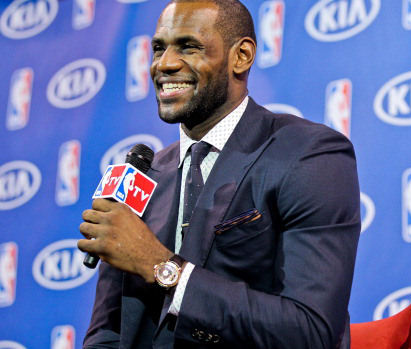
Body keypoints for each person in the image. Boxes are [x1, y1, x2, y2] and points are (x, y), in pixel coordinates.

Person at [77, 0, 360, 348]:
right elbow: (108, 333)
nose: (164, 64)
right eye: (158, 48)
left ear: (240, 56)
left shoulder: (309, 153)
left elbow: (310, 331)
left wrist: (162, 266)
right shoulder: (140, 177)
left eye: (188, 47)